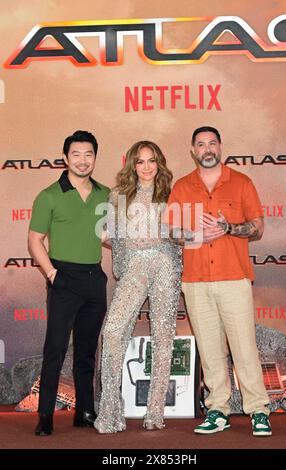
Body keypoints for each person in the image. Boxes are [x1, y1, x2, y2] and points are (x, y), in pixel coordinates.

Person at [167, 126, 272, 436]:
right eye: (201, 144)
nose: (207, 149)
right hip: (196, 280)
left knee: (244, 347)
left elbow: (257, 227)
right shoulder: (182, 187)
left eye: (212, 143)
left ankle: (258, 410)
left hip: (234, 277)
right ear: (193, 150)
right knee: (210, 349)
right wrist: (193, 235)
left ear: (220, 147)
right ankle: (218, 409)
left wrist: (229, 227)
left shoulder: (241, 183)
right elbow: (171, 232)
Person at [94, 141, 181, 433]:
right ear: (132, 164)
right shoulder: (118, 195)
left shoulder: (171, 193)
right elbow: (109, 235)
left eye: (152, 160)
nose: (146, 167)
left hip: (166, 264)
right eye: (140, 161)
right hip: (135, 266)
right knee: (114, 329)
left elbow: (181, 235)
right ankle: (110, 412)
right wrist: (125, 245)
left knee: (163, 336)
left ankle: (155, 411)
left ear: (160, 163)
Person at [28, 130, 109, 436]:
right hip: (63, 278)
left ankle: (85, 411)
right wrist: (52, 274)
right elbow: (34, 240)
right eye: (76, 154)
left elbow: (106, 236)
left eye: (88, 154)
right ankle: (45, 415)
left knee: (87, 350)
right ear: (65, 158)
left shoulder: (105, 193)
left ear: (95, 158)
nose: (82, 160)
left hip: (94, 278)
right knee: (56, 349)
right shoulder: (48, 195)